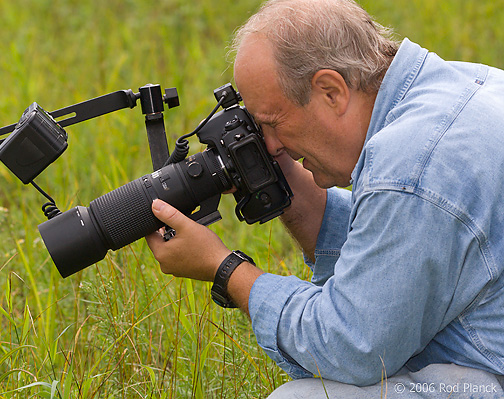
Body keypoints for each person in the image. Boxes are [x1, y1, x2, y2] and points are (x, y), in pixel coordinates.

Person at [145, 0, 504, 397]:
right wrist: (285, 189)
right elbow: (398, 246)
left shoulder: (411, 164)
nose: (271, 146)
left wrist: (226, 269)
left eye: (272, 124)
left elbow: (352, 348)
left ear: (331, 91)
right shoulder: (463, 85)